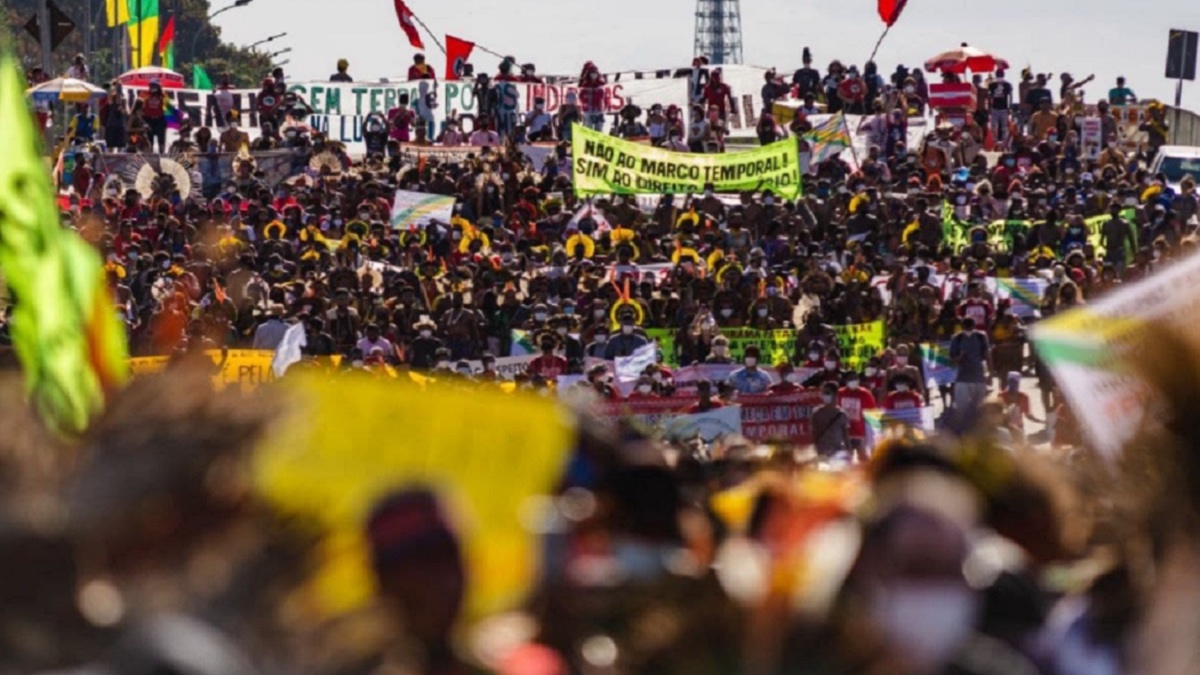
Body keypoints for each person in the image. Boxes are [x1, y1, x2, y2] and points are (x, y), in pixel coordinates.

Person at [949, 317, 991, 416]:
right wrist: (960, 357)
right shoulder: (957, 338)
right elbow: (952, 360)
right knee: (962, 409)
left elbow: (987, 356)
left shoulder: (981, 336)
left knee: (980, 409)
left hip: (978, 377)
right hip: (963, 378)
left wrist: (990, 374)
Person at [837, 372, 877, 461]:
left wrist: (872, 436)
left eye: (855, 379)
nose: (853, 381)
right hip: (845, 433)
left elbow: (872, 413)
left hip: (860, 432)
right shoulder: (839, 393)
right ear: (845, 381)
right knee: (845, 460)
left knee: (863, 458)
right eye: (850, 379)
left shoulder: (865, 394)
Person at [811, 381, 850, 461]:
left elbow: (846, 436)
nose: (825, 395)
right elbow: (813, 433)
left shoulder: (842, 414)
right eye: (823, 393)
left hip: (837, 453)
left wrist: (849, 451)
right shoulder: (817, 413)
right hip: (822, 453)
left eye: (827, 392)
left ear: (835, 394)